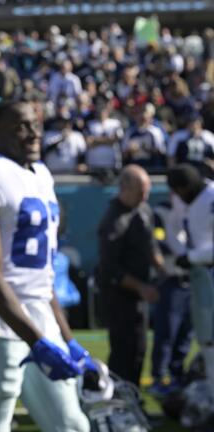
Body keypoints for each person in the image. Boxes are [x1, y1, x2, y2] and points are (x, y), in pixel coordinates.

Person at [0, 100, 90, 432]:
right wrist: (36, 341)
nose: (33, 133)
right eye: (22, 126)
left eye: (36, 124)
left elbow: (43, 275)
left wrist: (67, 340)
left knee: (72, 424)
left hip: (40, 313)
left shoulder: (41, 173)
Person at [96, 164, 160, 386]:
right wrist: (141, 287)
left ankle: (132, 397)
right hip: (119, 296)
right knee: (123, 350)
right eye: (140, 191)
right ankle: (119, 400)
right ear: (125, 188)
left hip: (139, 295)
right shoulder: (114, 220)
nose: (145, 196)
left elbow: (152, 248)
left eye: (147, 191)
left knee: (139, 348)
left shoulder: (143, 210)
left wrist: (166, 272)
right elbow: (110, 269)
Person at [168, 164, 214, 405]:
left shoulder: (210, 198)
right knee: (207, 343)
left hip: (208, 275)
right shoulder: (191, 203)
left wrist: (192, 257)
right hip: (203, 281)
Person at [148, 194, 192, 395]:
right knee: (167, 331)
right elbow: (157, 240)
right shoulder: (161, 211)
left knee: (186, 332)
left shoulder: (196, 208)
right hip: (171, 278)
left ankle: (177, 374)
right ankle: (159, 376)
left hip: (192, 279)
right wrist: (184, 254)